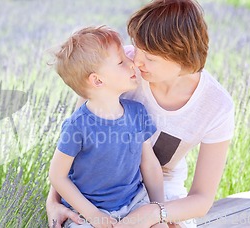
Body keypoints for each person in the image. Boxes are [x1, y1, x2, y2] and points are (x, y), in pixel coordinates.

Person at [46, 1, 235, 227]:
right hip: (96, 188)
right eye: (136, 48)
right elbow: (72, 153)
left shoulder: (216, 106)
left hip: (160, 187)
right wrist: (53, 201)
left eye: (150, 58)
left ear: (183, 59)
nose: (135, 61)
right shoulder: (115, 66)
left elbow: (201, 199)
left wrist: (157, 213)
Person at [48, 25, 167, 228]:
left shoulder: (137, 113)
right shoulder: (77, 126)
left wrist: (159, 210)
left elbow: (149, 165)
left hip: (133, 203)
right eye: (121, 61)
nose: (132, 63)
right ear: (97, 80)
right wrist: (93, 215)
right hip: (88, 209)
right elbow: (57, 176)